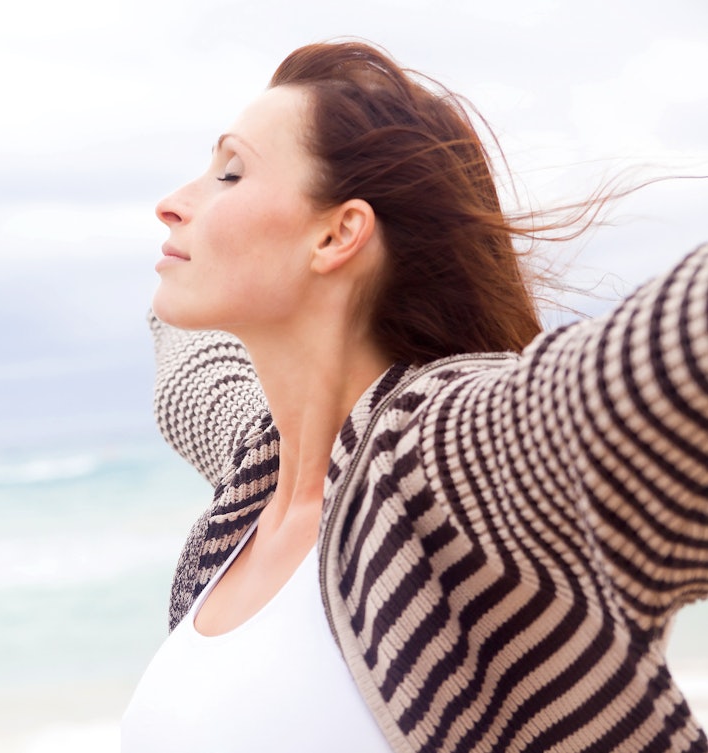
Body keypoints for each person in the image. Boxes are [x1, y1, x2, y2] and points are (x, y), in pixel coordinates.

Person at [120, 41, 708, 753]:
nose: (171, 205)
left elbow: (668, 364)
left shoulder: (441, 459)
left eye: (231, 172)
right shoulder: (259, 469)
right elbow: (192, 373)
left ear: (338, 233)